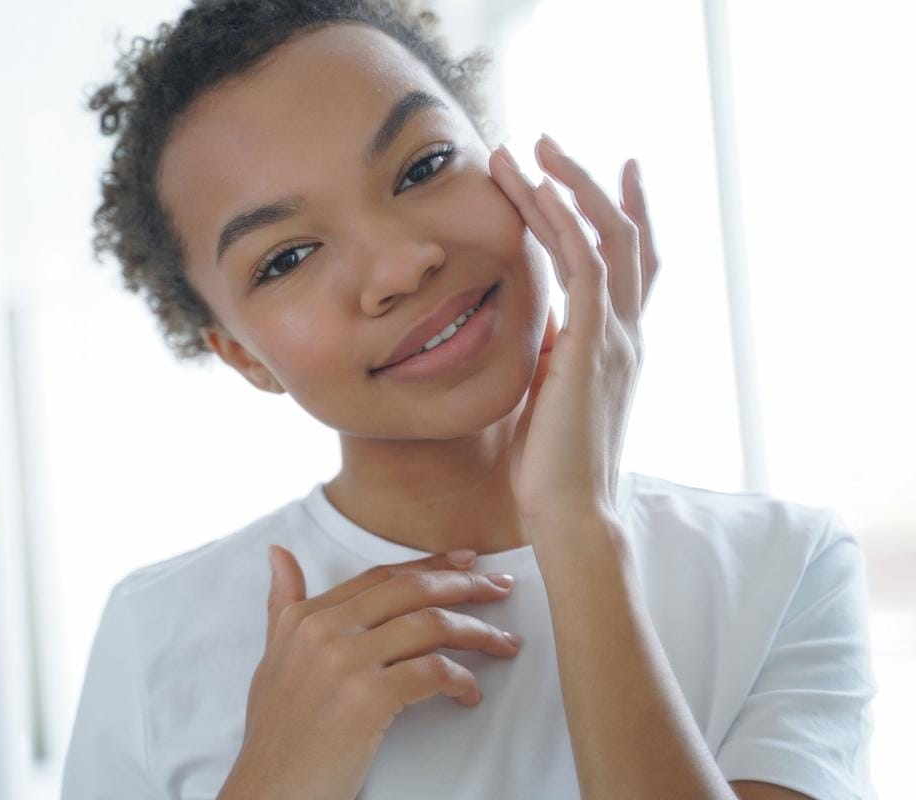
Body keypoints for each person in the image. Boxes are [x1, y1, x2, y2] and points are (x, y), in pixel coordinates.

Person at [62, 2, 877, 798]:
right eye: (288, 257)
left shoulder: (785, 569)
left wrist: (576, 530)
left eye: (422, 168)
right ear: (243, 354)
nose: (401, 265)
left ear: (508, 168)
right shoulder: (155, 636)